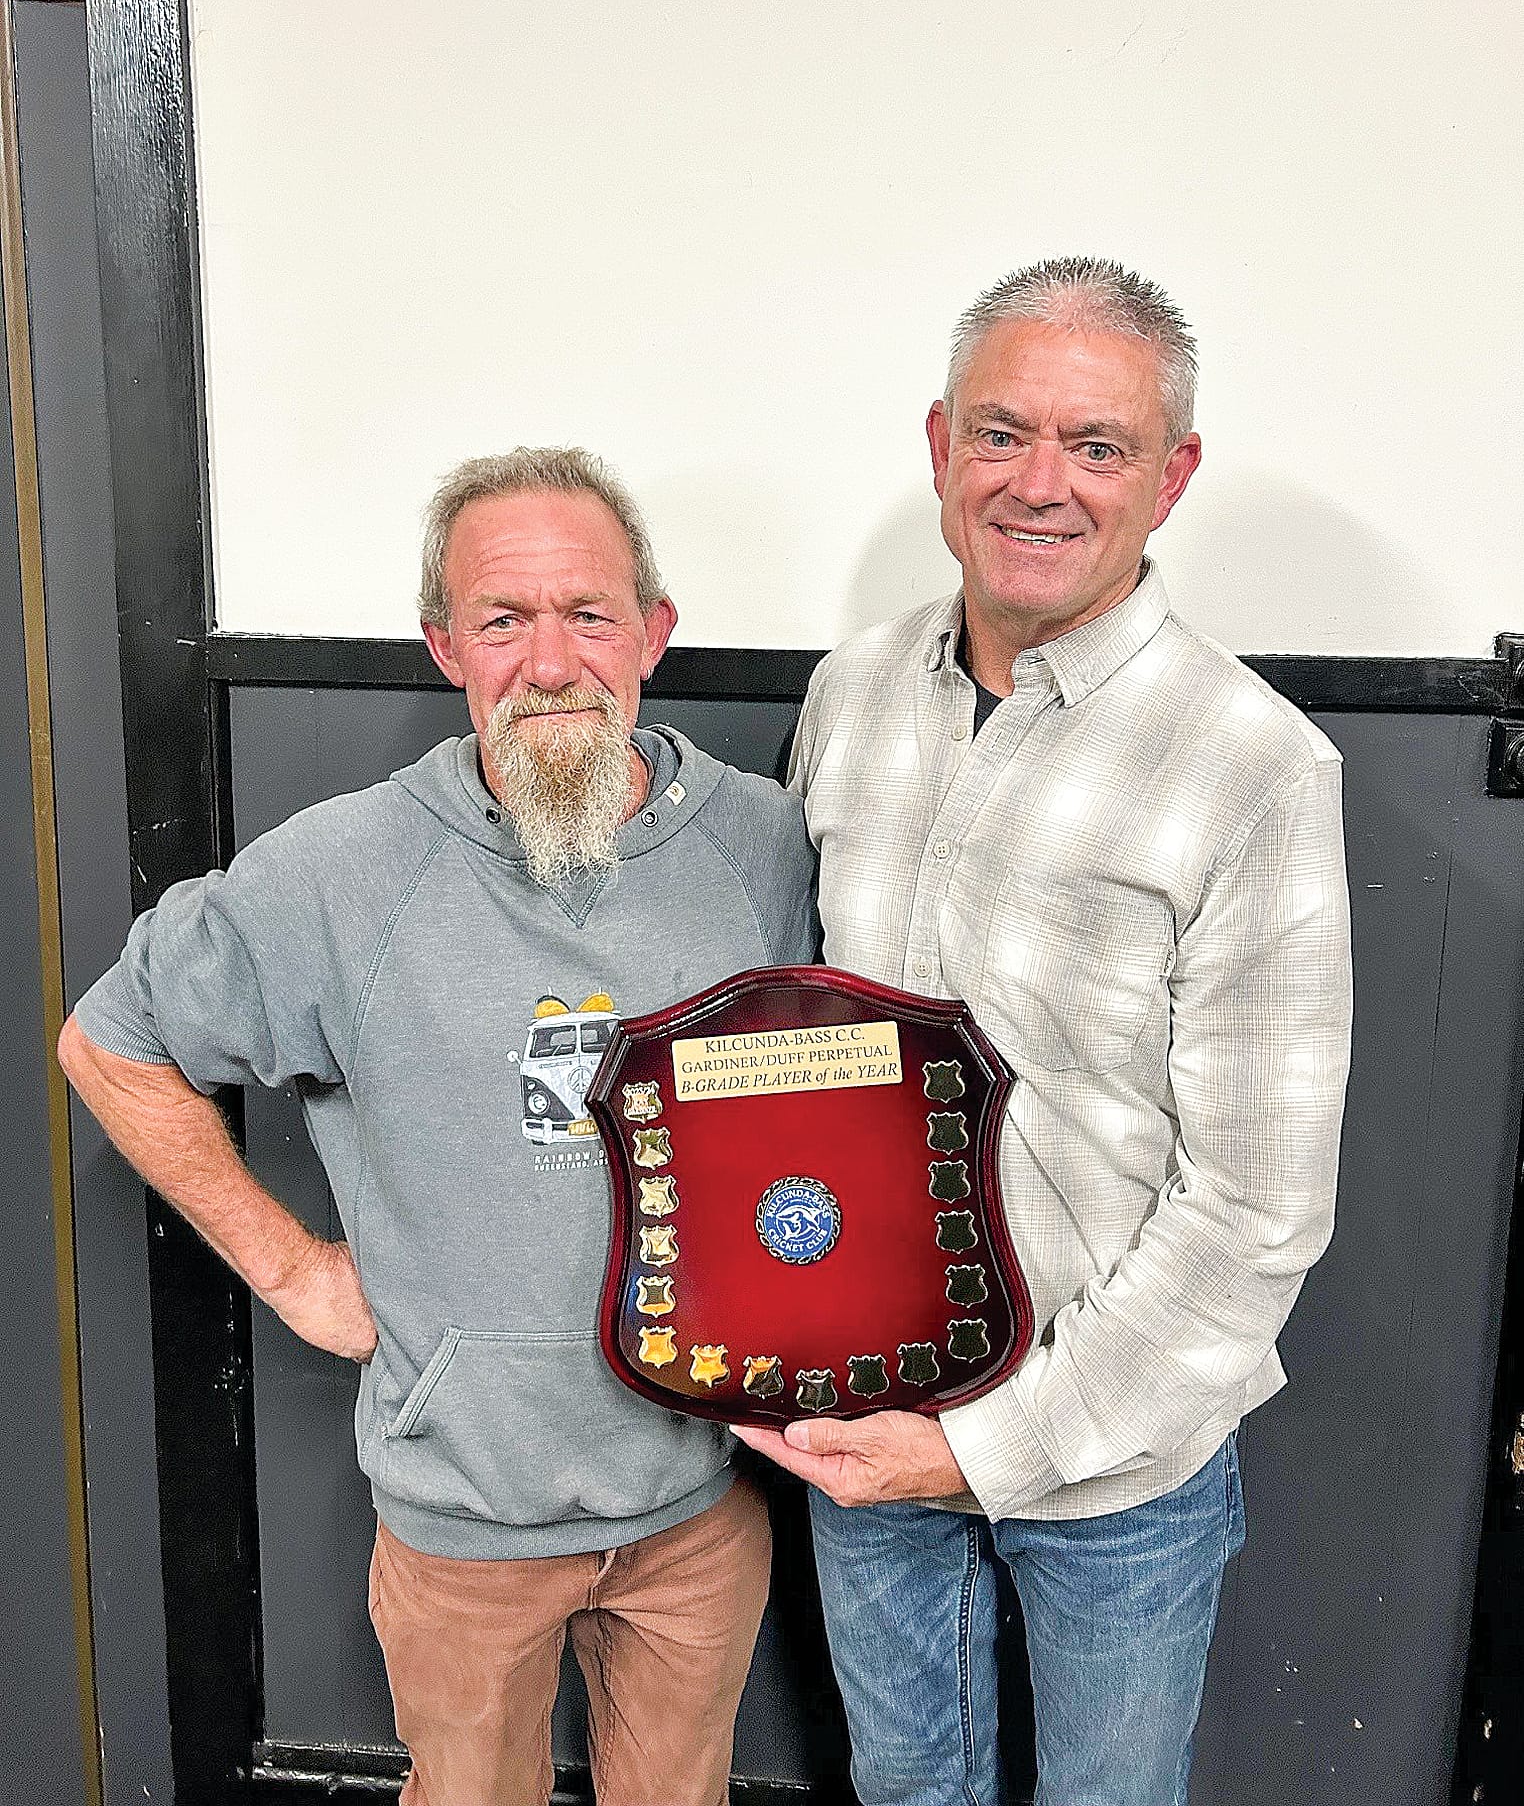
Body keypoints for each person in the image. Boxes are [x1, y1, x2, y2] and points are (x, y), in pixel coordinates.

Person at [60, 446, 818, 1806]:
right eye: (501, 620)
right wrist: (292, 1268)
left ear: (653, 632)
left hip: (706, 1500)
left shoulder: (763, 847)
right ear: (442, 646)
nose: (549, 661)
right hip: (464, 1518)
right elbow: (109, 1041)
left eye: (588, 614)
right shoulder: (345, 871)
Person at [737, 258, 1352, 1806]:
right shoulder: (856, 693)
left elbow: (1259, 1208)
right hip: (866, 1420)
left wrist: (994, 1446)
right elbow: (799, 1053)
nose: (1040, 484)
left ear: (1172, 476)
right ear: (939, 445)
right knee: (903, 1789)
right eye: (1002, 432)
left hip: (1114, 1461)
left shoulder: (1253, 765)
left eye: (1098, 446)